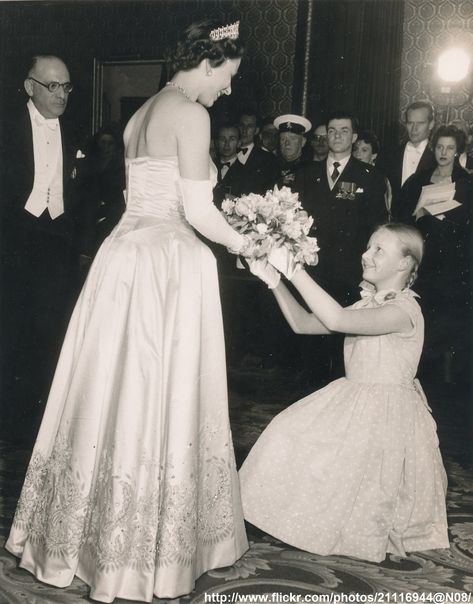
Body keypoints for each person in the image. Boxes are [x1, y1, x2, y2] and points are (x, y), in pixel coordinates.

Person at [6, 20, 250, 602]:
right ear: (210, 65)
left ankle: (82, 537)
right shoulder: (191, 113)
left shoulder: (143, 114)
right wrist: (257, 246)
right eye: (229, 77)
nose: (229, 91)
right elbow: (196, 208)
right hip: (165, 261)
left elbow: (136, 195)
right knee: (151, 391)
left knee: (111, 392)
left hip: (124, 255)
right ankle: (140, 555)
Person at [240, 223, 449, 563]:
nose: (366, 255)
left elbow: (335, 319)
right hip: (354, 397)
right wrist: (275, 281)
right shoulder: (368, 305)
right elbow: (304, 324)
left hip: (386, 413)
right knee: (288, 428)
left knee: (357, 478)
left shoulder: (404, 310)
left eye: (379, 249)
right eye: (368, 247)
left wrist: (295, 270)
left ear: (404, 263)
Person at [0, 55, 82, 442]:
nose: (61, 94)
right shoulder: (6, 126)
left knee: (50, 332)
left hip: (57, 241)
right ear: (30, 86)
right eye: (53, 86)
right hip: (12, 242)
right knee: (11, 330)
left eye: (66, 86)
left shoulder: (77, 127)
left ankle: (39, 423)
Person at [399, 124, 472, 386]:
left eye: (450, 148)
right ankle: (416, 370)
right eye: (440, 147)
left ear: (458, 151)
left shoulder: (466, 183)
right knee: (419, 313)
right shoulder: (417, 181)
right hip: (422, 260)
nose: (443, 152)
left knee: (446, 320)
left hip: (451, 263)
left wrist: (445, 218)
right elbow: (401, 218)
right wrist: (419, 217)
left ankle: (443, 379)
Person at [379, 100, 436, 220]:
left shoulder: (437, 158)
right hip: (393, 224)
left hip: (425, 226)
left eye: (420, 123)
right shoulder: (388, 154)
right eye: (410, 123)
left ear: (431, 124)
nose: (414, 129)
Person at [79, 125, 126, 259]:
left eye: (110, 144)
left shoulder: (120, 167)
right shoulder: (91, 164)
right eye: (103, 143)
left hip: (111, 212)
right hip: (92, 211)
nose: (106, 147)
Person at [236, 109, 279, 194]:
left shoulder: (269, 159)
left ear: (256, 131)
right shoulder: (225, 153)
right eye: (242, 125)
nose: (244, 130)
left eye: (250, 126)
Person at [353, 129, 393, 219]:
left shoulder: (379, 179)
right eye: (355, 149)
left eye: (364, 150)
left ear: (373, 156)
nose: (357, 154)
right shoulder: (349, 174)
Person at [274, 113, 312, 187]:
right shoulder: (270, 167)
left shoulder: (310, 169)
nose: (287, 143)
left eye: (292, 138)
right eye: (283, 139)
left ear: (303, 142)